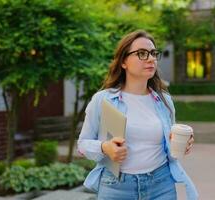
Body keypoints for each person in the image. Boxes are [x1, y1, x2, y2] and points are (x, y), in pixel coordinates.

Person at [77, 30, 198, 200]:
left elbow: (169, 149)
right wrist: (105, 147)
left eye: (153, 53)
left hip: (161, 185)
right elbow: (82, 144)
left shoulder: (164, 101)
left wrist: (180, 145)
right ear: (124, 62)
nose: (151, 59)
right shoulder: (103, 100)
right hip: (117, 188)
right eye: (142, 53)